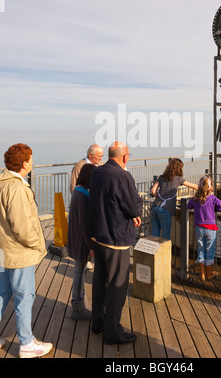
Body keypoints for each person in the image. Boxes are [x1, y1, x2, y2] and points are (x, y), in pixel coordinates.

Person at [0, 143, 53, 358]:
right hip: (18, 253)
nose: (32, 162)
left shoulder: (2, 183)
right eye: (30, 158)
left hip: (3, 250)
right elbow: (21, 227)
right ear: (24, 163)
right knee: (24, 296)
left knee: (2, 294)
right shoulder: (17, 188)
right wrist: (38, 244)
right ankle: (27, 344)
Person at [88, 142, 143, 344]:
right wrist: (135, 214)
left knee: (100, 281)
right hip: (116, 238)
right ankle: (112, 331)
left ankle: (98, 322)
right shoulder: (122, 176)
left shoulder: (97, 173)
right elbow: (134, 204)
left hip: (98, 236)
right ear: (125, 157)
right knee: (117, 286)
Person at [67, 163, 96, 321]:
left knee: (80, 270)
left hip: (76, 238)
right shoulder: (82, 194)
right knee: (79, 272)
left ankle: (80, 304)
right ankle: (78, 308)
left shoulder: (78, 191)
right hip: (81, 241)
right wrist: (90, 246)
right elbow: (84, 224)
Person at [187, 176, 221, 281]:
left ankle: (202, 274)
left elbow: (188, 206)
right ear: (210, 188)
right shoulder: (213, 198)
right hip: (210, 228)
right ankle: (209, 274)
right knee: (210, 251)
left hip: (199, 228)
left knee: (200, 250)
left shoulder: (195, 199)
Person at [150, 158, 198, 240]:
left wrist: (159, 198)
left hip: (155, 207)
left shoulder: (161, 177)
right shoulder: (178, 179)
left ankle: (154, 252)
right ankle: (165, 253)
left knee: (154, 235)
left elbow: (153, 190)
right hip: (165, 209)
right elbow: (195, 186)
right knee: (165, 238)